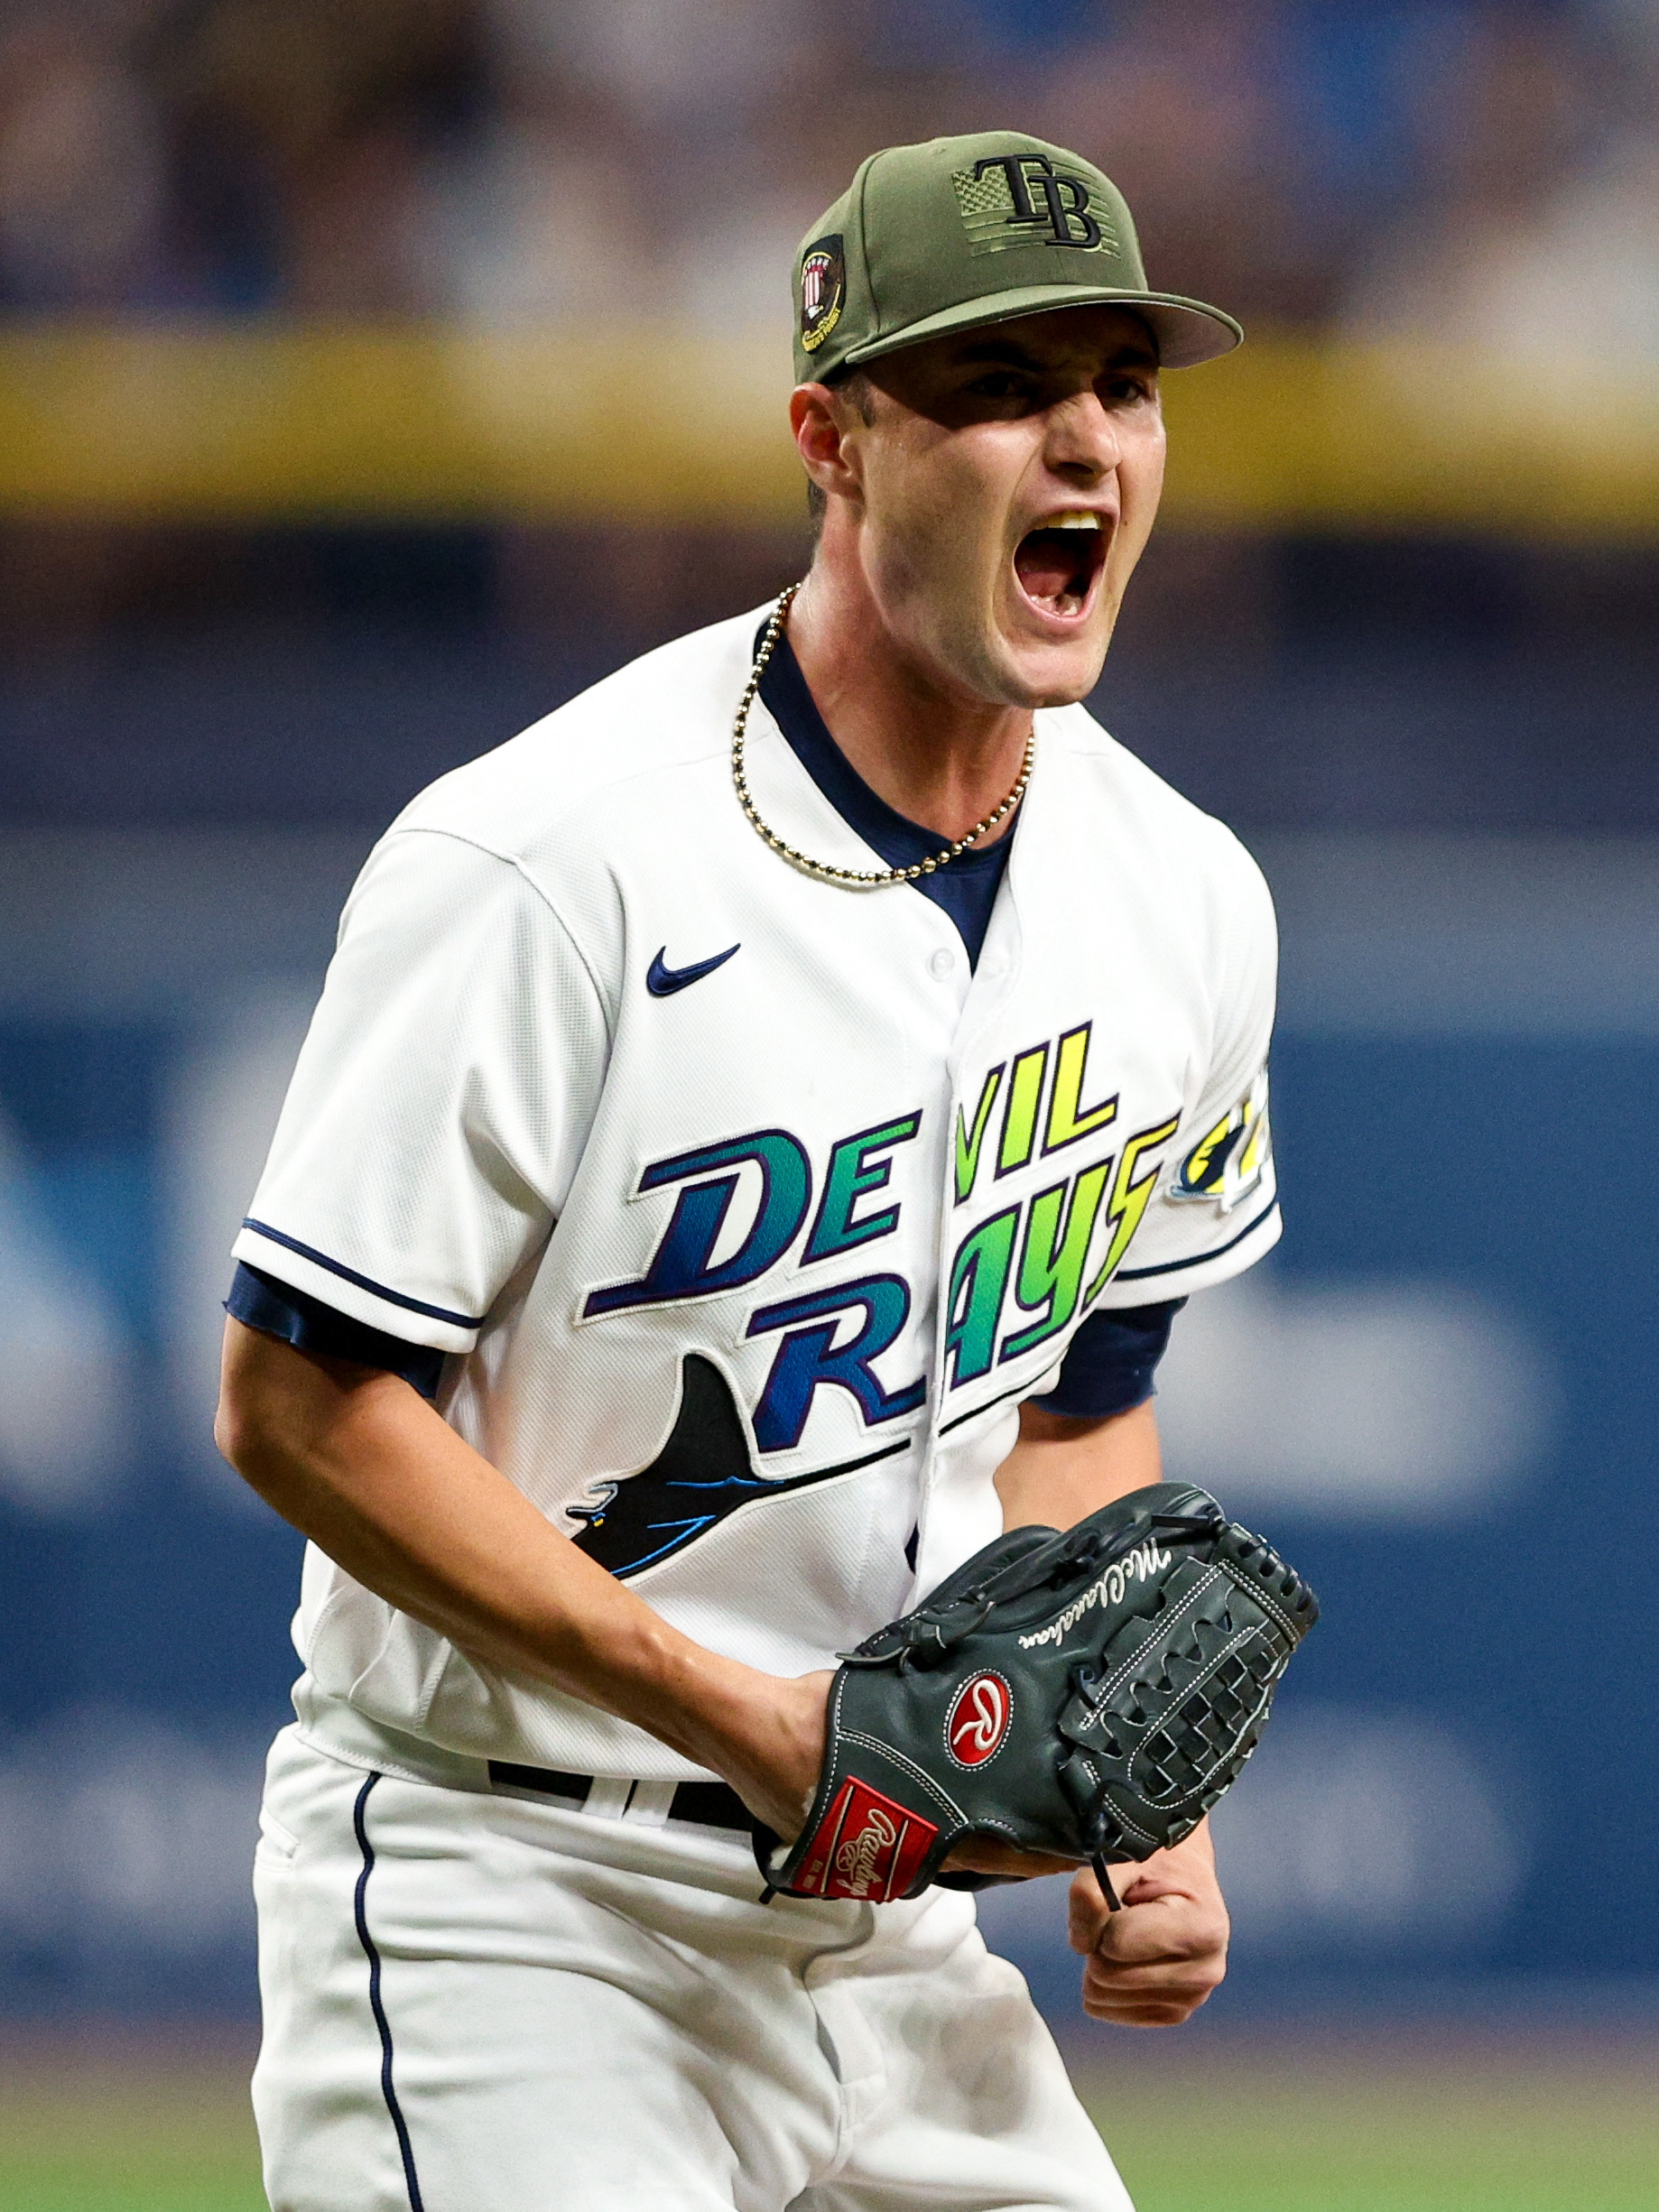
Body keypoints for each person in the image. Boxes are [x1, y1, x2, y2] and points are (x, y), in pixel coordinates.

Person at [217, 130, 1280, 2212]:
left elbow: (1073, 1408)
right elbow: (302, 1403)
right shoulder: (547, 860)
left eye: (1120, 384)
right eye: (994, 387)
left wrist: (1140, 1795)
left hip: (892, 1938)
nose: (1081, 441)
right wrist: (748, 1717)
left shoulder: (1188, 896)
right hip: (512, 1892)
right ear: (834, 441)